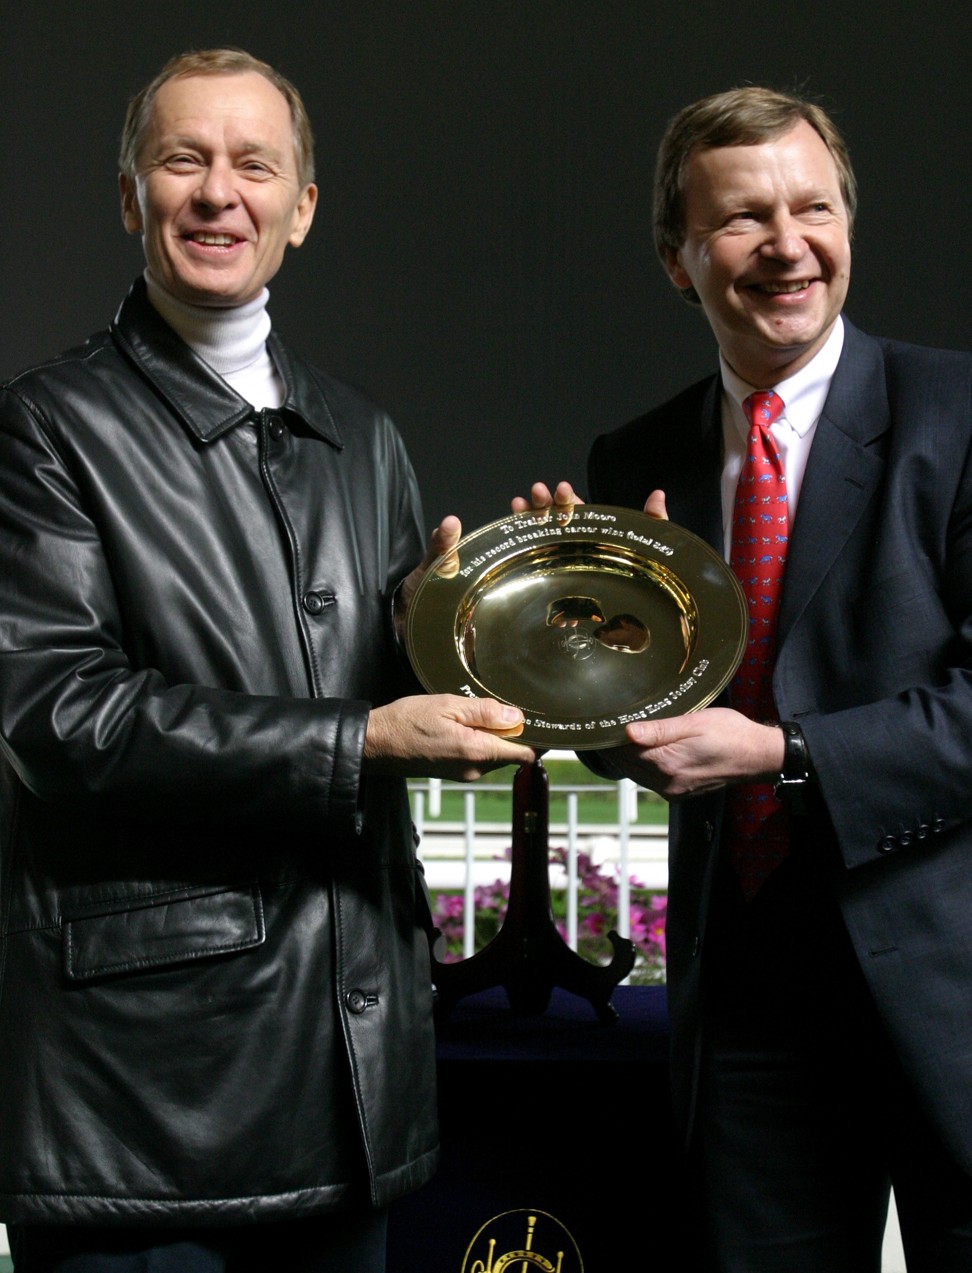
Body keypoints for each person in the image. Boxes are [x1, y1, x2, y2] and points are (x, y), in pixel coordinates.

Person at [0, 48, 534, 1272]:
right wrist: (363, 739)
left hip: (351, 1077)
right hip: (146, 1098)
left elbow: (394, 695)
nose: (216, 193)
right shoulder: (42, 428)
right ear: (132, 195)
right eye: (182, 160)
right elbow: (60, 718)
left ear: (301, 208)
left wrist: (485, 614)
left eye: (255, 164)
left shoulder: (362, 434)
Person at [518, 87, 972, 1271]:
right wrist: (570, 633)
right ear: (678, 258)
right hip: (751, 991)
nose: (787, 245)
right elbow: (634, 736)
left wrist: (785, 753)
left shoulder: (958, 415)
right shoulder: (637, 459)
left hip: (950, 982)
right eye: (742, 219)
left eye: (811, 207)